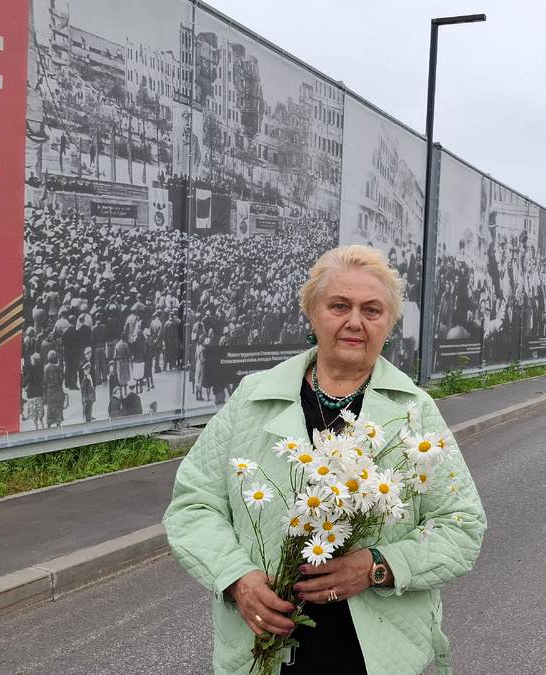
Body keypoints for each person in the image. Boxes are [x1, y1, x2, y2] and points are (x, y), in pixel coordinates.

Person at [164, 245, 486, 675]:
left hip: (374, 656)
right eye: (340, 306)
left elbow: (461, 526)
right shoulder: (252, 399)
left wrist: (378, 566)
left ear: (388, 325)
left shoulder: (415, 412)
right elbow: (193, 505)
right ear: (312, 314)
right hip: (260, 649)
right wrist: (236, 577)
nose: (355, 321)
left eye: (372, 310)